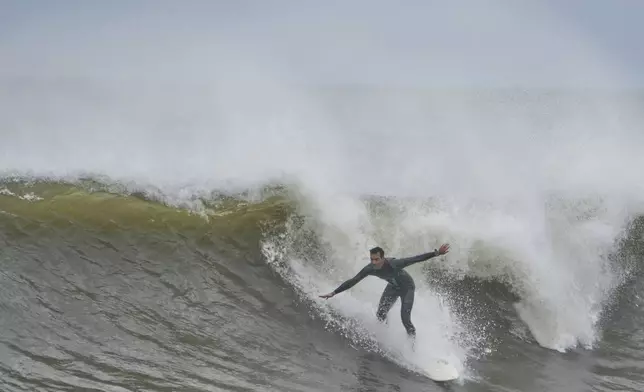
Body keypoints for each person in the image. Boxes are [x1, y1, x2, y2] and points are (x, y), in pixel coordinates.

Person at [319, 244, 450, 340]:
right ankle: (386, 336)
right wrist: (334, 292)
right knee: (380, 313)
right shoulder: (369, 269)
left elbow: (415, 259)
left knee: (405, 319)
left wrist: (437, 253)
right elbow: (354, 280)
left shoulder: (395, 264)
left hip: (407, 288)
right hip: (392, 287)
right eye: (372, 259)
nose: (374, 262)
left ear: (383, 258)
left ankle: (413, 346)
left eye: (376, 259)